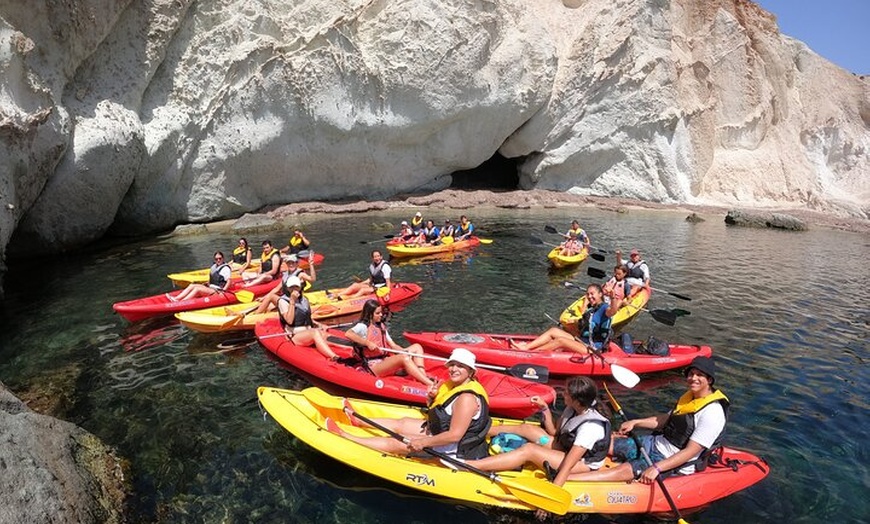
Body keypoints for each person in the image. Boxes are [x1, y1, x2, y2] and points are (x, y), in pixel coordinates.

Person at [572, 356, 728, 484]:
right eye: (691, 374)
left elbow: (690, 451)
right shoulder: (689, 397)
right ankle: (564, 461)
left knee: (622, 471)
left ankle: (567, 480)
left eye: (699, 375)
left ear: (709, 380)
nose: (693, 378)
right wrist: (636, 422)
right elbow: (665, 419)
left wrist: (657, 468)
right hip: (653, 444)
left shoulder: (713, 412)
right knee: (603, 443)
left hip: (670, 461)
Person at [326, 348, 491, 460]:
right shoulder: (455, 387)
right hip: (442, 432)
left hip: (454, 448)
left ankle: (346, 437)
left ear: (470, 371)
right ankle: (358, 420)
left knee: (396, 442)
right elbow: (441, 411)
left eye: (460, 366)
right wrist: (432, 399)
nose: (454, 369)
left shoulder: (466, 398)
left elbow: (455, 435)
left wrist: (423, 442)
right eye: (452, 365)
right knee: (403, 423)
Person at [466, 376, 611, 485]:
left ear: (577, 400)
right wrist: (544, 409)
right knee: (526, 428)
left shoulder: (590, 428)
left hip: (581, 464)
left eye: (566, 393)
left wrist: (552, 492)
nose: (562, 394)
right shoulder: (573, 408)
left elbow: (568, 465)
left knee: (530, 450)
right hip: (565, 448)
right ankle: (472, 433)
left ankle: (471, 465)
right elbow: (554, 432)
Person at [343, 300, 434, 387]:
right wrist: (367, 343)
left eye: (381, 312)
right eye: (377, 313)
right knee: (404, 358)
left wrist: (402, 351)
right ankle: (430, 384)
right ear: (370, 315)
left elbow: (393, 345)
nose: (381, 315)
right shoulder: (363, 326)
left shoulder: (381, 326)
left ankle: (423, 376)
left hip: (384, 360)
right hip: (373, 366)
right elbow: (348, 334)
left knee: (417, 347)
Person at [513, 284, 618, 354]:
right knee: (554, 331)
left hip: (593, 348)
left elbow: (613, 311)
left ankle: (532, 353)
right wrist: (574, 321)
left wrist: (613, 297)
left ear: (600, 294)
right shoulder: (591, 309)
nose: (589, 296)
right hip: (582, 341)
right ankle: (527, 347)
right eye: (587, 294)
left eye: (592, 294)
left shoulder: (604, 308)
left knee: (561, 341)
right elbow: (585, 323)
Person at [278, 276, 339, 360]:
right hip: (295, 336)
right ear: (287, 288)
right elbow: (289, 320)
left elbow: (307, 318)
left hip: (308, 331)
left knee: (326, 335)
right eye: (291, 287)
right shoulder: (283, 301)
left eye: (296, 286)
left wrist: (319, 324)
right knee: (315, 333)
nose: (294, 289)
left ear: (300, 287)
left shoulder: (304, 300)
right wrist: (292, 301)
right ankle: (334, 357)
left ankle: (353, 348)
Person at [250, 252, 316, 315]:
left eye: (293, 263)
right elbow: (277, 289)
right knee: (268, 308)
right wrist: (263, 298)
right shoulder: (286, 274)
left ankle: (255, 315)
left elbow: (312, 279)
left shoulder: (300, 274)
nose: (291, 265)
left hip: (295, 301)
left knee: (271, 297)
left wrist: (311, 265)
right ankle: (262, 314)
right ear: (286, 264)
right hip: (286, 299)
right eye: (289, 263)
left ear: (296, 263)